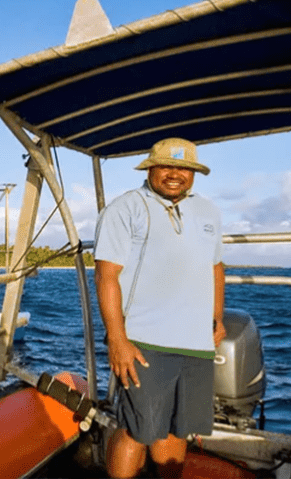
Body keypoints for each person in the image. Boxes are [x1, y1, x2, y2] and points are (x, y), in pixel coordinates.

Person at [93, 137, 226, 479]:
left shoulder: (209, 211)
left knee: (177, 430)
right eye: (167, 166)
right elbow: (106, 276)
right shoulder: (126, 208)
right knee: (137, 429)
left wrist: (217, 318)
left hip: (196, 345)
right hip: (144, 343)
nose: (175, 174)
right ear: (150, 168)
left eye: (184, 168)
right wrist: (117, 339)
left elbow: (215, 267)